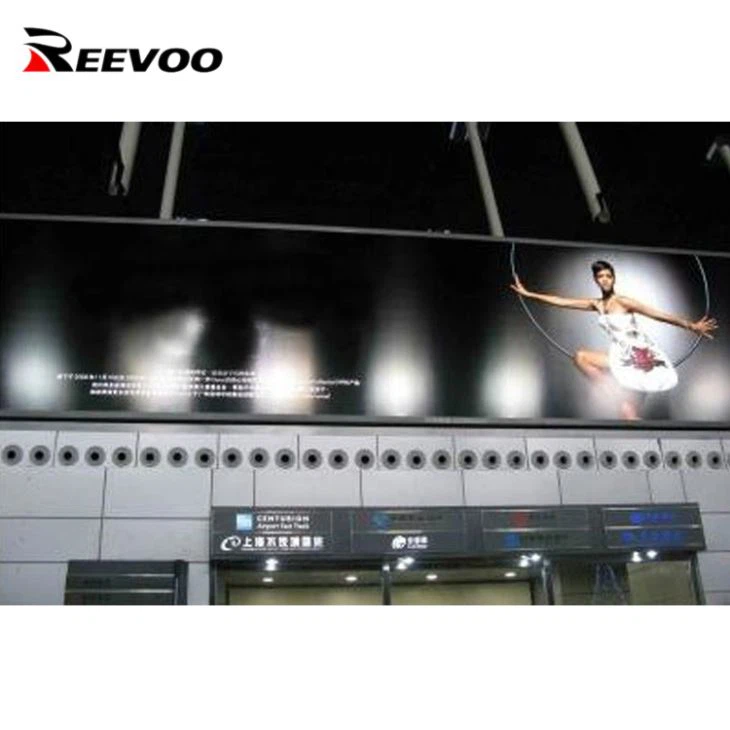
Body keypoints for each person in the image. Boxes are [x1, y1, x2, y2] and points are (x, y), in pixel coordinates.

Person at [510, 260, 718, 420]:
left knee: (630, 412)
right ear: (596, 280)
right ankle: (618, 396)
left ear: (614, 279)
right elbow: (562, 301)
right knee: (581, 358)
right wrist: (529, 294)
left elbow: (658, 315)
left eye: (608, 276)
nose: (605, 280)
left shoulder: (624, 302)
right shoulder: (597, 304)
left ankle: (630, 412)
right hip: (620, 353)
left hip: (639, 354)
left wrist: (691, 326)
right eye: (601, 276)